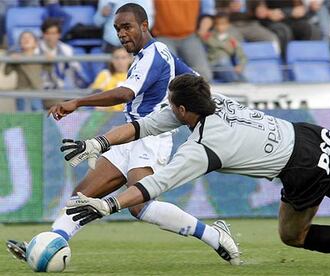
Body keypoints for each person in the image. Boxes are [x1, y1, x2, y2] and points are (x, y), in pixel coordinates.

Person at [62, 73, 330, 268]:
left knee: (293, 237)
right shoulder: (215, 101)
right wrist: (99, 144)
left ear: (184, 109)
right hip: (317, 137)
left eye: (172, 105)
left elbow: (155, 184)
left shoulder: (203, 149)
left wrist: (108, 205)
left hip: (302, 168)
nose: (168, 110)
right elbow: (143, 127)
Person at [6, 3, 240, 267]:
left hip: (151, 138)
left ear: (144, 25)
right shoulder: (153, 55)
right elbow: (196, 80)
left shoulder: (155, 52)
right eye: (117, 28)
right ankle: (48, 244)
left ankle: (214, 235)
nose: (121, 33)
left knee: (140, 207)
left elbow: (126, 93)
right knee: (82, 195)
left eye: (127, 27)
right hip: (129, 136)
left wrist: (78, 102)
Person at [151, 0, 213, 81]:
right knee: (167, 74)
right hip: (163, 36)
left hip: (189, 36)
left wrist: (203, 28)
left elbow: (208, 13)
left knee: (205, 76)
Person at [5, 31, 51, 111]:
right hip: (21, 92)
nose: (26, 39)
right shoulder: (17, 57)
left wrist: (48, 59)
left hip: (36, 93)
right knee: (23, 118)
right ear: (20, 44)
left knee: (37, 116)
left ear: (36, 43)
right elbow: (6, 72)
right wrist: (10, 59)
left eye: (29, 37)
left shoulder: (40, 57)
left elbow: (49, 70)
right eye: (23, 38)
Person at [38, 18, 88, 90]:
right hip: (41, 86)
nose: (50, 37)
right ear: (43, 34)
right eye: (47, 33)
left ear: (59, 35)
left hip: (62, 86)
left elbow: (77, 69)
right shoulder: (35, 47)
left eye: (54, 33)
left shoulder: (66, 49)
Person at [201, 13, 247, 82]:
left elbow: (241, 55)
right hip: (212, 66)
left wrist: (240, 65)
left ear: (228, 24)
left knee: (242, 77)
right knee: (223, 61)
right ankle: (234, 81)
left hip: (226, 67)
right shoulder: (209, 36)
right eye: (217, 24)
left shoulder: (232, 40)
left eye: (223, 24)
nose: (220, 27)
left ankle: (239, 83)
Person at [90, 47, 132, 112]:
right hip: (107, 114)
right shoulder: (105, 75)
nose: (120, 61)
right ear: (112, 60)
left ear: (130, 59)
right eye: (116, 58)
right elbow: (95, 96)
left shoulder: (134, 76)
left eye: (123, 58)